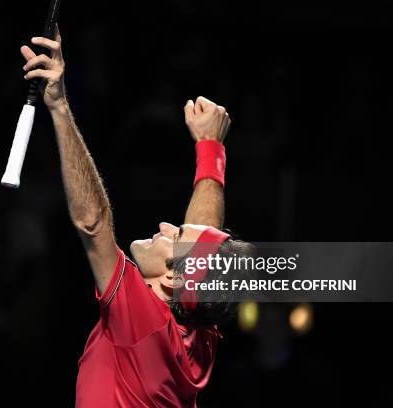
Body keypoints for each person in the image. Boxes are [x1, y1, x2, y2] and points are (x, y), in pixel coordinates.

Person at [21, 27, 253, 407]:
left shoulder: (143, 320)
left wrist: (59, 106)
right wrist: (209, 148)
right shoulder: (199, 328)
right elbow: (204, 233)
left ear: (174, 276)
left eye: (173, 235)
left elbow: (92, 224)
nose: (164, 226)